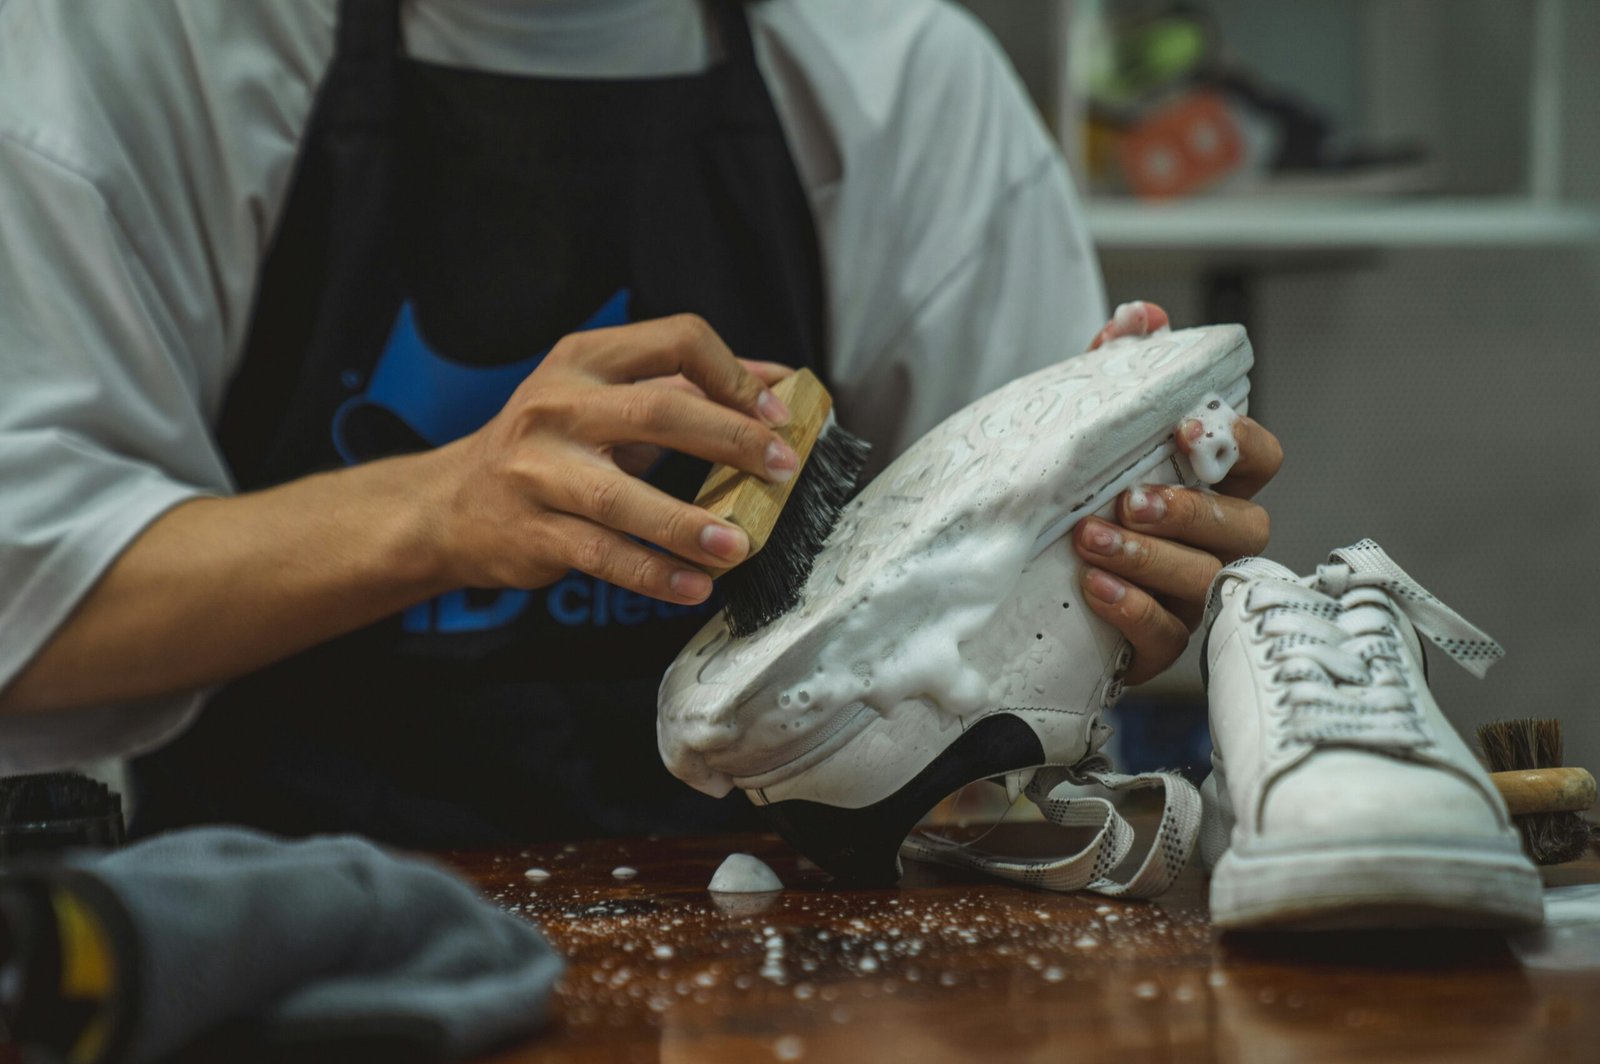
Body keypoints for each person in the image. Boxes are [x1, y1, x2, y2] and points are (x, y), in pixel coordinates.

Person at [0, 0, 1280, 847]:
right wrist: (439, 510)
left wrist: (1115, 563)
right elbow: (28, 615)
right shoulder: (134, 47)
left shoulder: (898, 74)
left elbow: (1044, 650)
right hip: (268, 925)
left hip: (804, 926)